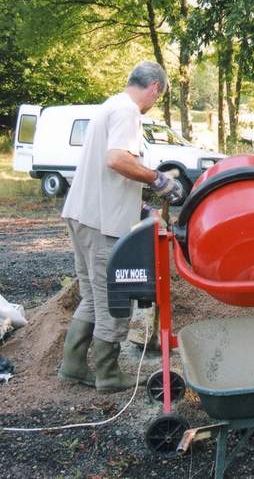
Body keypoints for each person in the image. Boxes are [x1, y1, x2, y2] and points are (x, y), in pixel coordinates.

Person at [58, 61, 184, 394]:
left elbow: (106, 171)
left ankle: (72, 366)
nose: (154, 102)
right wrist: (158, 179)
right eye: (158, 96)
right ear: (155, 87)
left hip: (82, 214)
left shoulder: (109, 107)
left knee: (91, 296)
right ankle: (109, 376)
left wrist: (140, 206)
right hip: (101, 223)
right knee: (114, 297)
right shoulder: (128, 111)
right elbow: (117, 160)